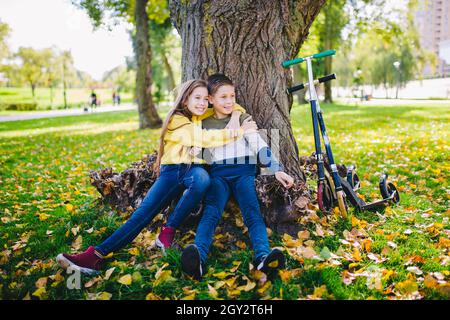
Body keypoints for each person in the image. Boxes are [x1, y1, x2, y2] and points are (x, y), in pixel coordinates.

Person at [56, 79, 256, 275]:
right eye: (197, 98)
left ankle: (168, 231)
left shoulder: (199, 114)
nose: (202, 103)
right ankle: (95, 255)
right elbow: (202, 138)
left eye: (205, 99)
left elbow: (230, 105)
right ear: (185, 99)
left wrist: (234, 116)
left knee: (202, 178)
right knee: (142, 216)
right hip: (172, 172)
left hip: (191, 170)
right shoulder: (177, 119)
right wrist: (238, 131)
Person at [180, 74, 295, 280]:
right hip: (218, 177)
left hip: (244, 174)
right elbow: (199, 151)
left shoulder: (243, 119)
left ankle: (263, 257)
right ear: (211, 100)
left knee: (252, 213)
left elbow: (260, 146)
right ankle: (198, 257)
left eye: (232, 96)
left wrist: (276, 168)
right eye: (223, 97)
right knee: (211, 213)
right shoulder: (203, 123)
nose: (229, 101)